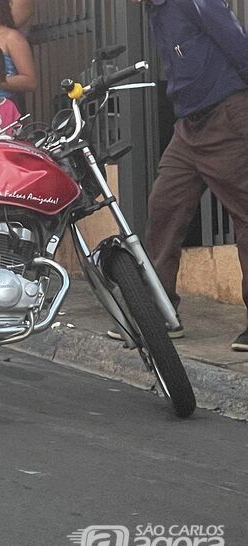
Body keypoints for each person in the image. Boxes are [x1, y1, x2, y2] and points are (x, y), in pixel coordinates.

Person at [117, 0, 248, 350]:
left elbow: (238, 44)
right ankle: (159, 314)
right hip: (188, 126)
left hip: (226, 116)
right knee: (164, 208)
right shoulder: (155, 11)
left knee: (245, 215)